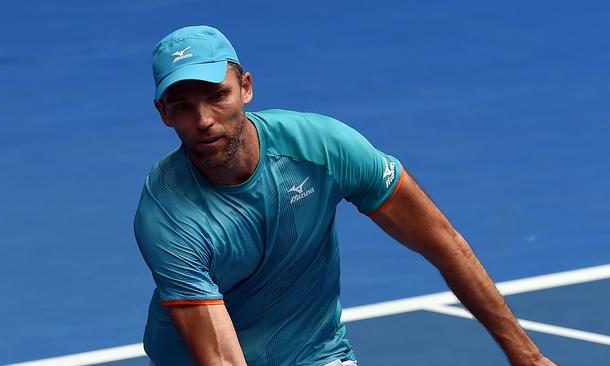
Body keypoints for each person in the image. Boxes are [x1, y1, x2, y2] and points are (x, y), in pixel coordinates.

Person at [134, 25, 556, 366]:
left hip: (314, 353)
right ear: (163, 113)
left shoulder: (322, 147)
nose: (204, 120)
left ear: (245, 87)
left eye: (217, 96)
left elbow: (443, 243)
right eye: (183, 106)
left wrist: (528, 357)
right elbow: (221, 359)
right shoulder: (167, 214)